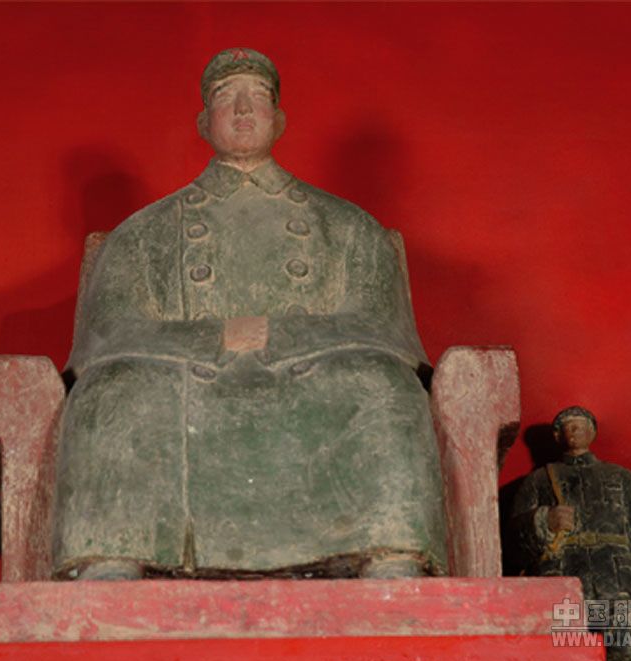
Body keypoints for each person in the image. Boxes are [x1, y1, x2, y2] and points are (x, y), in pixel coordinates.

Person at [54, 47, 446, 581]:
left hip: (313, 380)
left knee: (384, 385)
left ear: (278, 119)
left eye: (257, 96)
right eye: (225, 97)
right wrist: (215, 338)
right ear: (203, 122)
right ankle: (113, 557)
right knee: (109, 392)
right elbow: (109, 331)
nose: (242, 110)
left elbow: (383, 325)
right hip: (185, 382)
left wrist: (277, 334)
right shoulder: (145, 232)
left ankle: (387, 553)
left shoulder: (347, 226)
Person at [510, 406, 631, 661]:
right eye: (568, 426)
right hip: (561, 580)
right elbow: (513, 543)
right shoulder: (537, 482)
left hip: (618, 578)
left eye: (581, 425)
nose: (575, 430)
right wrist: (543, 521)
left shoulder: (623, 478)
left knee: (628, 652)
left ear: (593, 432)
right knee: (565, 654)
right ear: (557, 436)